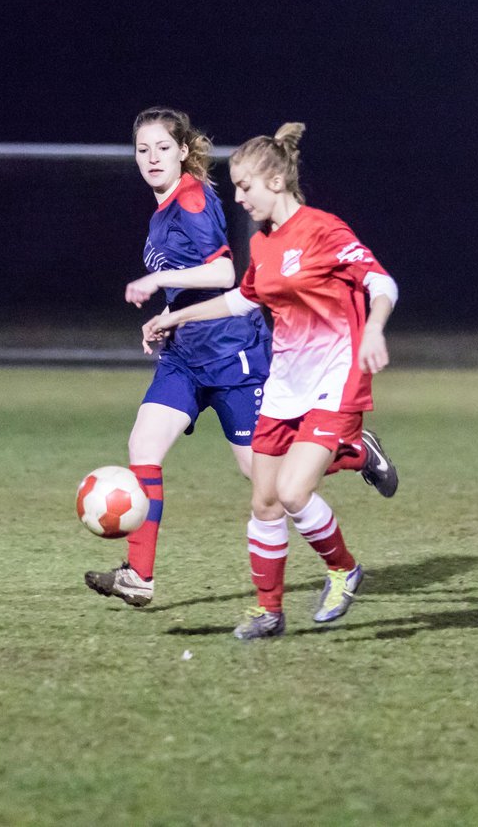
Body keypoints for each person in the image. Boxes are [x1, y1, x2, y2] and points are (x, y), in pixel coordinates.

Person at [142, 122, 400, 640]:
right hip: (285, 380)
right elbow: (243, 298)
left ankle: (344, 570)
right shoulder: (262, 245)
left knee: (292, 489)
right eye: (235, 187)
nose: (238, 199)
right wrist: (174, 317)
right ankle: (268, 612)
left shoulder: (323, 230)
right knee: (263, 499)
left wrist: (373, 328)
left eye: (245, 187)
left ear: (276, 182)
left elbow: (380, 281)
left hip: (336, 376)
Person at [83, 107, 272, 608]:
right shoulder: (164, 207)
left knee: (264, 475)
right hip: (186, 357)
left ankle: (353, 450)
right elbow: (188, 281)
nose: (151, 158)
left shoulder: (190, 199)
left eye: (162, 148)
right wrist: (165, 317)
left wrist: (157, 282)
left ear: (183, 151)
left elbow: (223, 275)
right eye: (142, 150)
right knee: (144, 443)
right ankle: (139, 577)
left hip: (233, 355)